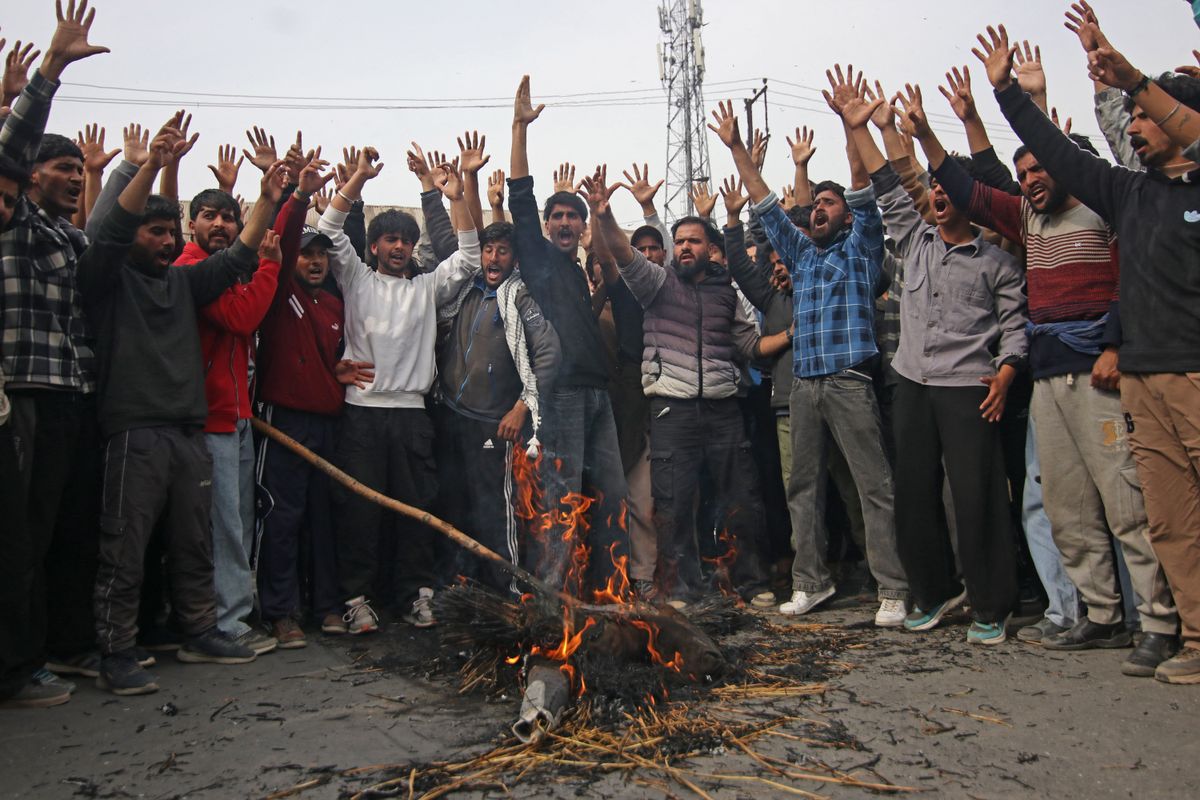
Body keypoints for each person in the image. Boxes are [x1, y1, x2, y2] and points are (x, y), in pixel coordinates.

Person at [924, 70, 1178, 669]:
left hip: (1100, 378)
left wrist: (1114, 345)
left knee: (1127, 505)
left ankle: (1160, 623)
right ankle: (1101, 615)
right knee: (1067, 507)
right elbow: (969, 190)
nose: (1032, 180)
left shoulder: (1107, 213)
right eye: (1025, 174)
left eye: (1041, 168)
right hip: (1048, 380)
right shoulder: (1029, 221)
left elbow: (1132, 285)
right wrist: (922, 139)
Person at [976, 20, 1200, 683]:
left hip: (1194, 372)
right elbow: (1063, 155)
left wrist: (1135, 80)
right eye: (1130, 115)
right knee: (1168, 519)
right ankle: (1189, 638)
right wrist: (1009, 97)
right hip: (1143, 378)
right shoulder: (1131, 195)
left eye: (1147, 117)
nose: (1134, 126)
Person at [76, 120, 284, 695]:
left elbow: (240, 257)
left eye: (171, 233)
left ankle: (199, 631)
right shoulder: (107, 277)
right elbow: (110, 228)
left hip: (189, 430)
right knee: (125, 544)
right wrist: (148, 165)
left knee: (195, 542)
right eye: (155, 232)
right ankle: (116, 650)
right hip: (134, 430)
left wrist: (267, 201)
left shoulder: (185, 283)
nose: (166, 242)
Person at [839, 74, 1028, 644]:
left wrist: (1006, 372)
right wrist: (862, 129)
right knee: (914, 494)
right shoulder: (913, 238)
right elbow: (888, 183)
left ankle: (993, 605)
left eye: (950, 193)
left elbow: (1017, 328)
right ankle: (934, 592)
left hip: (968, 387)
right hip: (913, 382)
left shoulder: (996, 263)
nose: (940, 198)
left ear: (969, 201)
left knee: (977, 497)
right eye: (937, 194)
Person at [710, 93, 909, 625]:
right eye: (814, 204)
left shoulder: (861, 249)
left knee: (873, 486)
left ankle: (892, 587)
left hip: (848, 381)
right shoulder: (800, 255)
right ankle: (810, 582)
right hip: (803, 386)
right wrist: (736, 150)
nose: (817, 208)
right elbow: (768, 208)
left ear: (844, 215)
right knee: (803, 488)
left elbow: (865, 193)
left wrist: (852, 129)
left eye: (829, 203)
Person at [585, 166, 780, 607]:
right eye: (681, 242)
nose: (686, 247)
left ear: (712, 250)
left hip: (723, 410)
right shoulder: (657, 284)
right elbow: (621, 251)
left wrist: (791, 335)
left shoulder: (726, 292)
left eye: (695, 241)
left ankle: (752, 582)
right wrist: (604, 213)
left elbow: (747, 343)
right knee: (672, 505)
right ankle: (682, 589)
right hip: (671, 411)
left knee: (741, 498)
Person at [317, 148, 480, 633]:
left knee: (415, 510)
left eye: (406, 242)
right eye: (390, 240)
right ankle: (357, 600)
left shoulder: (426, 288)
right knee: (360, 512)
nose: (399, 248)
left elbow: (470, 258)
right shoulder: (356, 278)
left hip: (412, 416)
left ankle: (417, 595)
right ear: (373, 247)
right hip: (361, 414)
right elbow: (327, 232)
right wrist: (357, 183)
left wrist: (454, 198)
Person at [0, 0, 107, 693]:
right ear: (30, 180)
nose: (72, 176)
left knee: (57, 534)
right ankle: (16, 666)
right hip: (23, 394)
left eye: (78, 170)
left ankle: (49, 649)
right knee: (19, 539)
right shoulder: (16, 224)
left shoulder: (72, 240)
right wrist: (49, 74)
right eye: (60, 167)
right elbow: (8, 153)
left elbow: (112, 232)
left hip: (70, 394)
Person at [506, 76, 629, 592]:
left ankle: (610, 594)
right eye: (555, 215)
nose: (562, 221)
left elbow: (610, 258)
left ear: (579, 226)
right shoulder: (537, 261)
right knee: (559, 503)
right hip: (560, 399)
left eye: (570, 216)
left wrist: (600, 213)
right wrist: (519, 128)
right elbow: (520, 195)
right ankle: (552, 603)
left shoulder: (579, 269)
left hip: (599, 395)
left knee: (611, 498)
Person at [173, 165, 292, 657]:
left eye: (228, 216)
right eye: (208, 216)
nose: (219, 225)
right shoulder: (191, 268)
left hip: (236, 415)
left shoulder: (224, 269)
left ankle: (231, 615)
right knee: (223, 524)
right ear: (191, 225)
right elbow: (242, 318)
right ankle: (222, 623)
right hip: (210, 417)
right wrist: (269, 267)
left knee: (237, 518)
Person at [254, 153, 369, 647]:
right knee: (281, 516)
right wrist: (299, 196)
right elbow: (285, 238)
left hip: (328, 424)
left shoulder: (334, 303)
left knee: (325, 518)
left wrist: (332, 373)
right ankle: (279, 612)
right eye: (306, 253)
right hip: (283, 424)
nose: (315, 261)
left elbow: (322, 360)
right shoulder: (280, 293)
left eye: (321, 254)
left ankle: (324, 605)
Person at [434, 217, 560, 590]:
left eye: (502, 251)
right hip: (453, 417)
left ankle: (507, 592)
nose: (493, 257)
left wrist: (522, 406)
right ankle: (459, 588)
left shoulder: (521, 297)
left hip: (495, 424)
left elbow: (549, 355)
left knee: (495, 512)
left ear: (514, 259)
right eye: (488, 249)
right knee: (453, 506)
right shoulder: (463, 293)